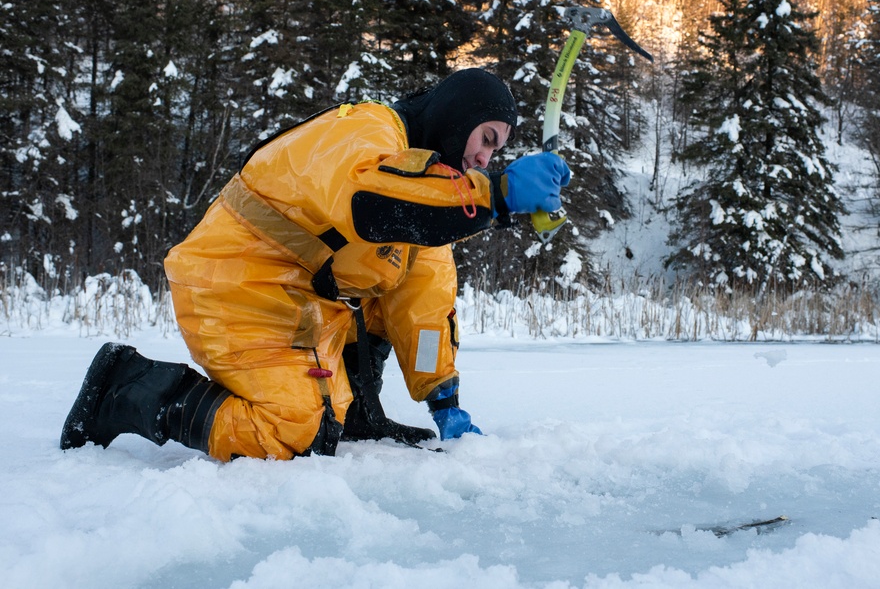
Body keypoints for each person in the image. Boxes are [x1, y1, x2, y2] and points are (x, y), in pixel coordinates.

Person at [60, 68, 571, 461]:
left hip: (294, 298)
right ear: (459, 118)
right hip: (235, 282)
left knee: (386, 294)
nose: (486, 157)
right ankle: (124, 388)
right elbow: (369, 200)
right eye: (487, 138)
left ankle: (355, 416)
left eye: (498, 151)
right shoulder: (368, 130)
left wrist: (445, 399)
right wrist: (495, 196)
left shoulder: (425, 197)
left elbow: (424, 305)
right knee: (295, 429)